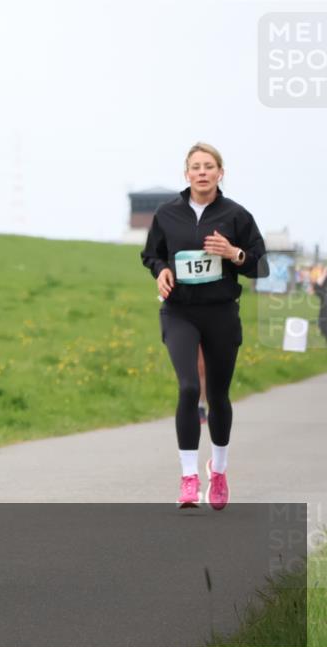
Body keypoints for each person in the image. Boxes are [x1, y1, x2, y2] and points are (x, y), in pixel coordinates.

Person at [141, 142, 265, 510]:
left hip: (221, 313)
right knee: (188, 387)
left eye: (209, 166)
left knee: (219, 395)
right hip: (179, 311)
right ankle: (189, 477)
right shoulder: (167, 214)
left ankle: (220, 470)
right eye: (195, 166)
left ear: (220, 173)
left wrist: (234, 254)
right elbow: (151, 253)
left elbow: (260, 265)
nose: (202, 172)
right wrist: (161, 270)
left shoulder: (236, 216)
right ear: (186, 174)